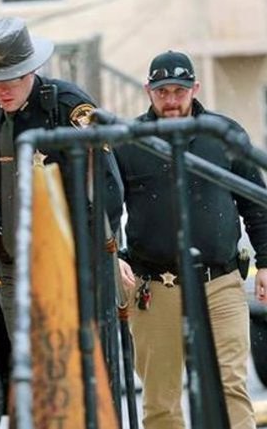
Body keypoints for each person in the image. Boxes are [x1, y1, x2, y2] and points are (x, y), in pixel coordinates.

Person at [116, 50, 267, 429]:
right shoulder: (128, 142)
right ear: (148, 91)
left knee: (230, 386)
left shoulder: (223, 135)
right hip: (155, 286)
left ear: (195, 89)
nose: (171, 100)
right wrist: (112, 254)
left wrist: (266, 261)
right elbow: (103, 206)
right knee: (161, 398)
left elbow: (256, 202)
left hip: (221, 282)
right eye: (162, 92)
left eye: (179, 91)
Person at [0, 17, 124, 336]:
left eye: (11, 78)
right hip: (14, 261)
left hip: (70, 258)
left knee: (78, 356)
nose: (2, 90)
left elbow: (107, 185)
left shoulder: (67, 106)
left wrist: (100, 255)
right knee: (29, 357)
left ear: (31, 70)